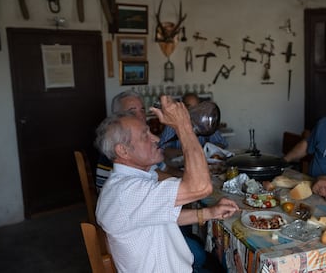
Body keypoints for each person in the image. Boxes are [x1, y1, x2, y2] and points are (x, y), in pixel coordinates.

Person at [95, 95, 239, 272]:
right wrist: (183, 125)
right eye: (145, 136)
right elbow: (201, 187)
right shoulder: (126, 193)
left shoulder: (134, 181)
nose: (155, 139)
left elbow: (158, 215)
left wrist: (208, 212)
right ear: (123, 151)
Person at [96, 90, 180, 190]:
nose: (140, 116)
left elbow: (164, 169)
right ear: (118, 116)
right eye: (132, 112)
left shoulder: (137, 145)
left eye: (142, 110)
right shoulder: (117, 147)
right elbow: (165, 177)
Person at [159, 92, 228, 160]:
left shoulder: (206, 123)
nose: (194, 110)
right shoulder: (173, 124)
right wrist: (189, 153)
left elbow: (222, 143)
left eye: (196, 107)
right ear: (183, 107)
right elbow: (162, 149)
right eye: (190, 106)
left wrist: (208, 150)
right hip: (180, 165)